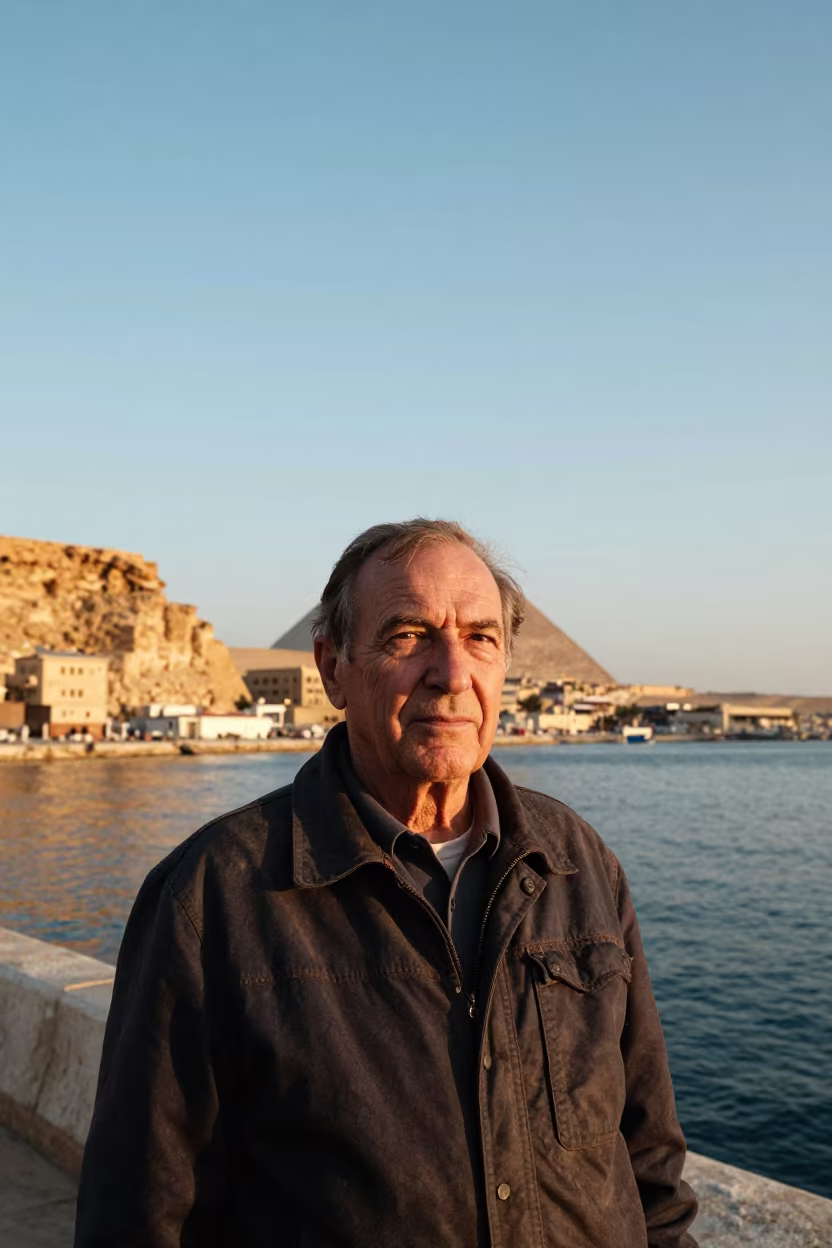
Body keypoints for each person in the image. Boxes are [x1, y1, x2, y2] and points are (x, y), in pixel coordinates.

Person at [75, 519, 698, 1248]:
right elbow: (137, 1214)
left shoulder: (580, 865)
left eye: (482, 638)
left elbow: (649, 1166)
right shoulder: (211, 899)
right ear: (331, 667)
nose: (452, 672)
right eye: (408, 636)